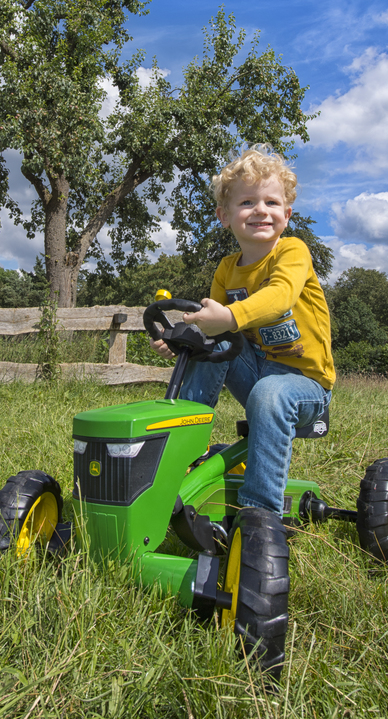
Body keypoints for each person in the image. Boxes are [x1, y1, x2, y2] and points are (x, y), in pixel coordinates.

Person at [150, 146, 335, 518]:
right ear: (225, 216)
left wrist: (230, 318)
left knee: (269, 393)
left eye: (271, 201)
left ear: (287, 213)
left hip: (307, 387)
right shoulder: (226, 268)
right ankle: (185, 451)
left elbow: (280, 298)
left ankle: (260, 515)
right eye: (247, 202)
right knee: (208, 345)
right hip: (256, 372)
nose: (261, 210)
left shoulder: (292, 252)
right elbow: (211, 322)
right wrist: (183, 337)